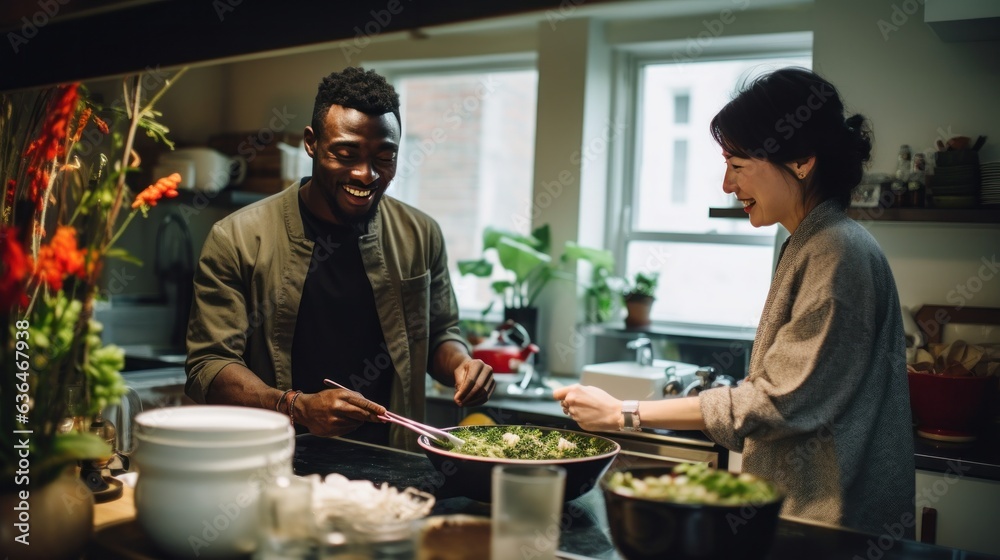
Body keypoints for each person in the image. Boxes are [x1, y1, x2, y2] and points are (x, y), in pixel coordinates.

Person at [554, 67, 915, 536]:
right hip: (809, 516)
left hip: (831, 526)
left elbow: (775, 403)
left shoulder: (836, 252)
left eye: (738, 166)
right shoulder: (811, 243)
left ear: (802, 161)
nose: (728, 184)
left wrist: (622, 413)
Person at [185, 67, 495, 451]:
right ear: (312, 143)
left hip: (392, 461)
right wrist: (296, 407)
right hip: (274, 460)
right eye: (345, 154)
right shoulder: (237, 238)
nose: (366, 175)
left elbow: (440, 335)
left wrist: (462, 365)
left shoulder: (421, 234)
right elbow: (209, 365)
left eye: (384, 158)